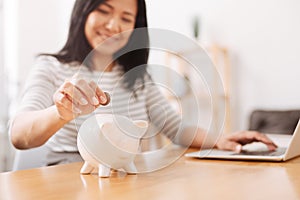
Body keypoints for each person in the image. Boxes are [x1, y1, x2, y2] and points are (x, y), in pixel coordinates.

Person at [10, 0, 277, 166]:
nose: (114, 25)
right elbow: (19, 135)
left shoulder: (137, 77)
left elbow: (176, 128)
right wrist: (60, 113)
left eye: (126, 18)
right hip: (69, 177)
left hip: (125, 176)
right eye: (104, 10)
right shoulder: (50, 67)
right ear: (83, 12)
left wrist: (220, 140)